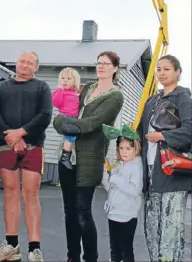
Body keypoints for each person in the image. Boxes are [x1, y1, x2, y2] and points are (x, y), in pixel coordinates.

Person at [53, 51, 124, 262]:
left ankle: (90, 258)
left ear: (115, 68)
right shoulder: (86, 88)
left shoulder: (115, 95)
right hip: (67, 155)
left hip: (90, 160)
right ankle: (72, 257)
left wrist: (63, 124)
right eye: (99, 63)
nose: (101, 66)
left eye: (106, 63)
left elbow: (93, 123)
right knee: (69, 212)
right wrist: (61, 122)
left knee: (83, 212)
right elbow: (62, 113)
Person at [0, 51, 52, 262]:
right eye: (22, 61)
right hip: (6, 146)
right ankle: (12, 246)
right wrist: (11, 138)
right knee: (10, 192)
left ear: (36, 67)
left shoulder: (42, 88)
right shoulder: (0, 88)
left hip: (33, 146)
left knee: (31, 194)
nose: (25, 65)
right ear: (16, 64)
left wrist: (21, 132)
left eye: (30, 62)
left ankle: (35, 249)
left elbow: (45, 115)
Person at [137, 54, 192, 262]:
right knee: (152, 232)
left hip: (173, 172)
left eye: (167, 69)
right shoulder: (152, 100)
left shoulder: (183, 98)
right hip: (151, 172)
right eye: (158, 69)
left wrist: (163, 135)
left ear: (178, 72)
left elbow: (190, 130)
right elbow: (142, 132)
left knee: (170, 232)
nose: (161, 73)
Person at [102, 123, 143, 262]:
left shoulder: (136, 167)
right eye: (121, 148)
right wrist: (105, 173)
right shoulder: (118, 165)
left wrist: (115, 178)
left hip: (127, 216)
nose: (124, 152)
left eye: (128, 148)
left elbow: (134, 190)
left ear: (135, 149)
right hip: (113, 214)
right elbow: (109, 187)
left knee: (126, 251)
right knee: (114, 251)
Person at [52, 67, 80, 169]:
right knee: (70, 137)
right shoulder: (59, 92)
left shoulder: (75, 94)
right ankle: (65, 157)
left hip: (74, 118)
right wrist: (60, 90)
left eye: (68, 79)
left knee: (74, 138)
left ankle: (70, 156)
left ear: (74, 81)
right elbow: (56, 103)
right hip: (65, 117)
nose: (65, 81)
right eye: (63, 78)